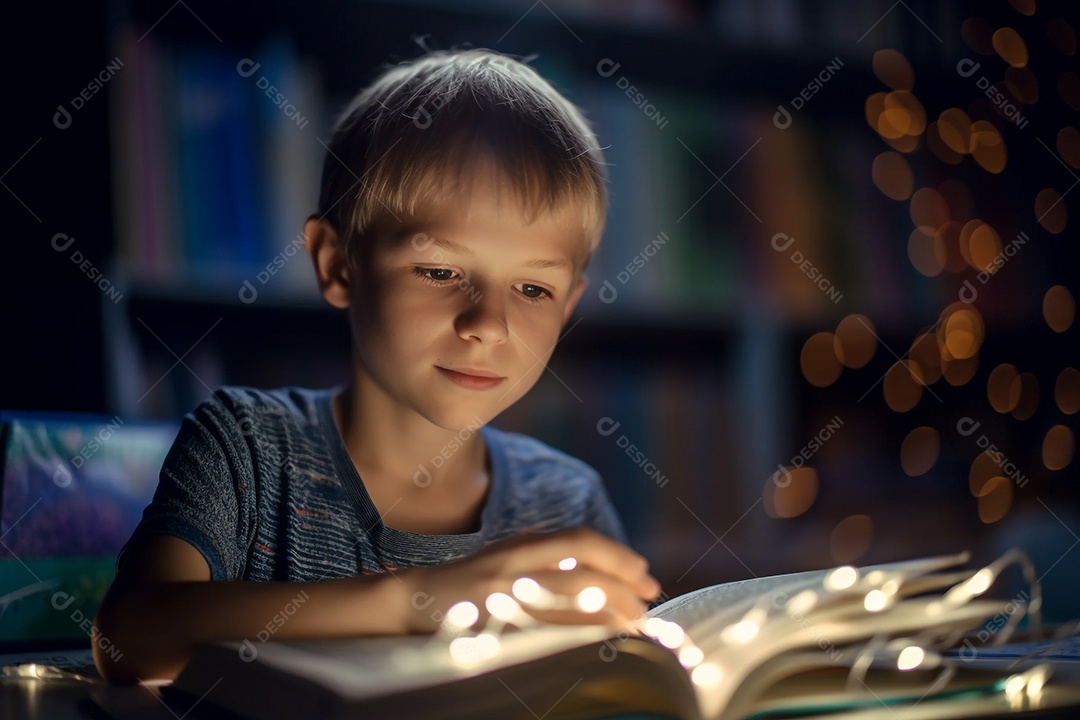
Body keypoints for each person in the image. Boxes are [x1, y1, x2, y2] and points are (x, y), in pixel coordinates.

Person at [94, 48, 660, 683]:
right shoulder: (247, 446)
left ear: (569, 306)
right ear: (338, 265)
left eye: (534, 290)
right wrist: (419, 600)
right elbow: (129, 637)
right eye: (441, 272)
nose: (488, 326)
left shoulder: (567, 501)